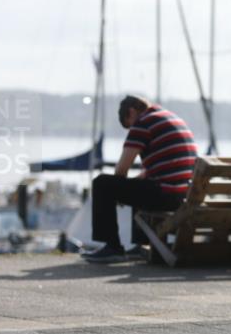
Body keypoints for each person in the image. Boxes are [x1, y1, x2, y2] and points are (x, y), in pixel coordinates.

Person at [83, 95, 198, 263]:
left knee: (102, 184)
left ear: (131, 112)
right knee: (138, 185)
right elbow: (163, 168)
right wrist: (125, 189)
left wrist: (117, 194)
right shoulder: (171, 118)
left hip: (165, 194)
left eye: (129, 126)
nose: (131, 130)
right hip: (183, 196)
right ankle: (140, 245)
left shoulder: (143, 123)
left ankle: (112, 247)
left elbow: (121, 169)